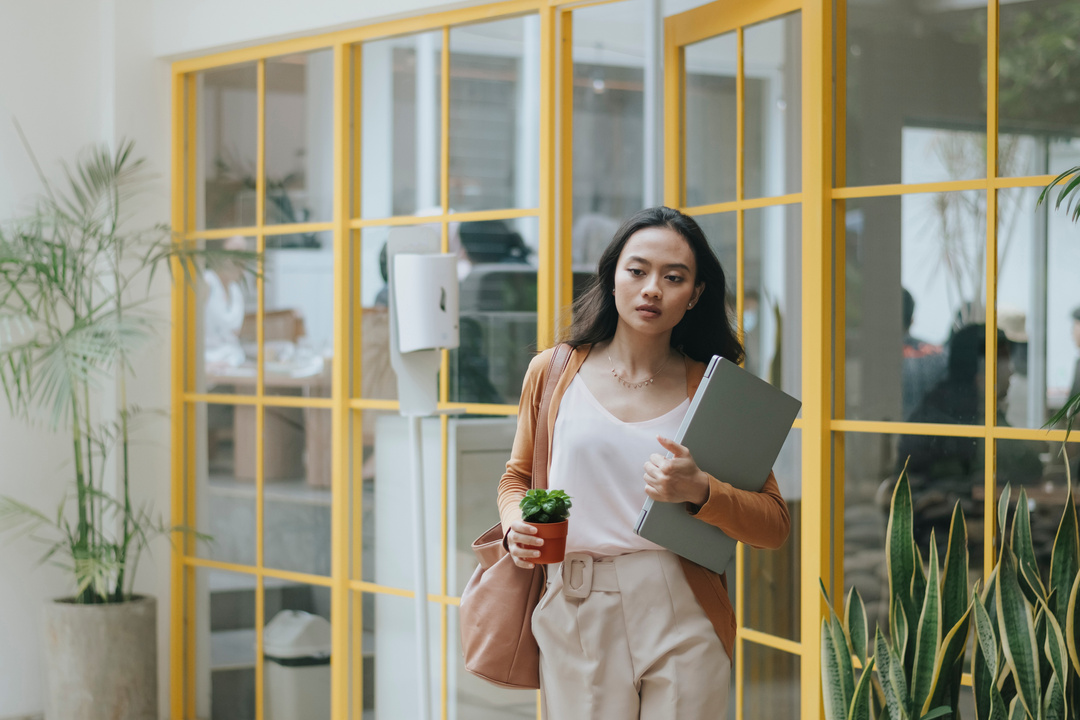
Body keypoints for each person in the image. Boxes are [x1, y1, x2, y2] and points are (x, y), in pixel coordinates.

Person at [497, 207, 791, 719]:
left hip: (683, 600)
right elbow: (517, 478)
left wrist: (701, 490)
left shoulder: (714, 391)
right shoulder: (553, 372)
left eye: (673, 277)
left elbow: (774, 526)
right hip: (576, 601)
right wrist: (516, 522)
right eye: (637, 271)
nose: (652, 288)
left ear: (695, 295)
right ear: (612, 277)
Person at [203, 235, 249, 368]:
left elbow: (233, 337)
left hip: (233, 364)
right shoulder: (206, 283)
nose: (240, 259)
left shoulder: (236, 291)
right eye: (234, 253)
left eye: (244, 254)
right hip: (208, 367)